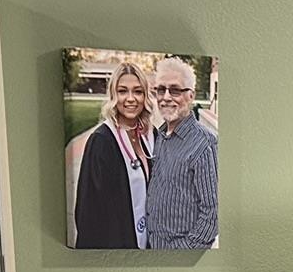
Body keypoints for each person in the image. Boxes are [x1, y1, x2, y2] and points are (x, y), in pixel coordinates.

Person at [71, 63, 152, 248]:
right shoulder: (101, 142)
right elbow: (87, 213)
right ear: (113, 96)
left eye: (138, 91)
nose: (131, 98)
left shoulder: (148, 136)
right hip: (116, 249)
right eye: (123, 91)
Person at [145, 57, 219, 249]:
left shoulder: (203, 145)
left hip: (178, 258)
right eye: (161, 89)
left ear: (191, 96)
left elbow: (213, 213)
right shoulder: (160, 135)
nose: (166, 97)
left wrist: (185, 252)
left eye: (175, 90)